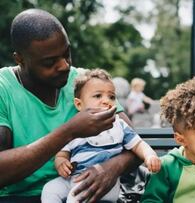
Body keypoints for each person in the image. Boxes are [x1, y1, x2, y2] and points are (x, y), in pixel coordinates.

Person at [0, 9, 140, 202]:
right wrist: (69, 132)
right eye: (50, 62)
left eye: (67, 54)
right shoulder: (3, 89)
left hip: (83, 193)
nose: (64, 65)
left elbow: (134, 144)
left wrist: (112, 168)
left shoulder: (85, 83)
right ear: (20, 59)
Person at [41, 69, 160, 203]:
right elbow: (62, 153)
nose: (106, 101)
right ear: (79, 104)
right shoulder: (75, 127)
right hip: (73, 178)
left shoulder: (118, 125)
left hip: (102, 182)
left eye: (111, 97)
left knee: (75, 198)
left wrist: (149, 155)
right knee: (50, 189)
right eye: (98, 96)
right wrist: (61, 163)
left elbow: (138, 144)